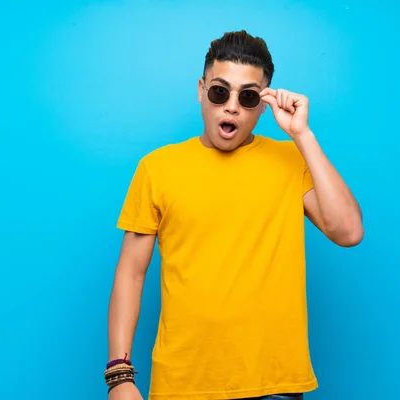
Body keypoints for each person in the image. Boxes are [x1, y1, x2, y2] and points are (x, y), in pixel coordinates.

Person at [105, 30, 364, 400]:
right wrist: (119, 376)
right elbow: (130, 274)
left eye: (247, 97)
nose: (231, 107)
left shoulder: (291, 161)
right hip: (184, 384)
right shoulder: (157, 168)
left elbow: (349, 232)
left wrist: (302, 136)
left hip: (274, 383)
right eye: (219, 91)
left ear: (263, 104)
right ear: (201, 89)